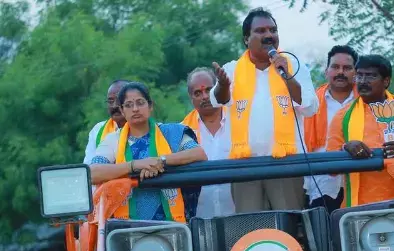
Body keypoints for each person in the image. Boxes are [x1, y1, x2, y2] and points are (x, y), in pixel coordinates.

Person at [210, 7, 319, 213]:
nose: (269, 35)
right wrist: (223, 84)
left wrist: (286, 74)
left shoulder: (293, 65)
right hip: (245, 167)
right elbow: (218, 100)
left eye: (273, 30)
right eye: (261, 31)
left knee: (288, 227)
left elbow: (310, 107)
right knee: (252, 230)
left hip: (286, 165)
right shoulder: (233, 68)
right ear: (246, 39)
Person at [90, 82, 207, 222]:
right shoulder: (113, 140)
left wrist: (160, 161)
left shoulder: (170, 133)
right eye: (128, 105)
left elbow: (198, 153)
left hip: (172, 225)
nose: (135, 109)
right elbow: (92, 173)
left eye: (140, 103)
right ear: (122, 110)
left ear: (150, 106)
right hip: (126, 229)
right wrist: (134, 166)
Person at [326, 55, 394, 207]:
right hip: (362, 207)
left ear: (386, 81)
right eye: (359, 75)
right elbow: (330, 166)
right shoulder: (343, 117)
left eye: (370, 76)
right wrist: (346, 148)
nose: (363, 81)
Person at [304, 45, 359, 213]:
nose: (340, 72)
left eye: (347, 68)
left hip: (360, 184)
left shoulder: (366, 102)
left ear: (356, 73)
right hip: (321, 185)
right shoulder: (310, 103)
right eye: (335, 67)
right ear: (326, 71)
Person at [181, 67, 235, 218]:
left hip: (241, 214)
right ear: (190, 97)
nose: (205, 96)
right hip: (201, 217)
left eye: (209, 90)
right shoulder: (181, 132)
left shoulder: (239, 122)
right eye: (197, 93)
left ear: (218, 88)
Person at [83, 80, 130, 165]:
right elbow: (89, 169)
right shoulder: (98, 130)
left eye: (119, 101)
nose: (114, 106)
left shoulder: (150, 130)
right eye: (110, 101)